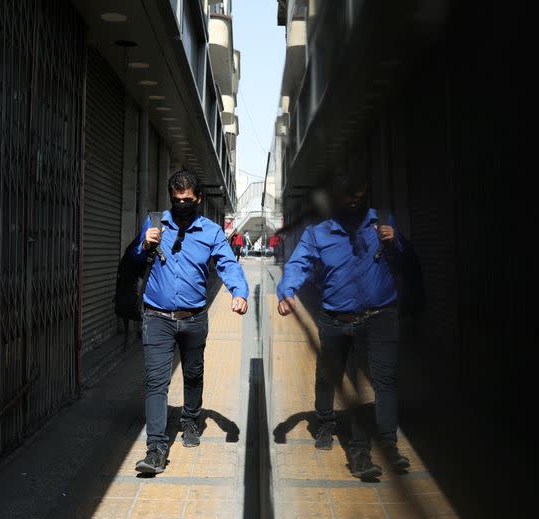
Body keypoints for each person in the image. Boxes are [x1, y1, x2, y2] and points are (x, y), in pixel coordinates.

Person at [276, 178, 414, 479]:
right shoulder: (318, 233)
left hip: (379, 317)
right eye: (347, 195)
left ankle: (377, 449)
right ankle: (325, 422)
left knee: (381, 382)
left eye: (360, 194)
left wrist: (397, 241)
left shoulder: (381, 225)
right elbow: (298, 264)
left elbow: (406, 262)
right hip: (335, 320)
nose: (354, 200)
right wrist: (287, 291)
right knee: (330, 376)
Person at [131, 170, 249, 475]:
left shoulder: (210, 232)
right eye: (176, 199)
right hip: (157, 316)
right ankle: (156, 449)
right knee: (157, 381)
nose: (181, 204)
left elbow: (227, 264)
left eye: (187, 199)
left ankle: (190, 419)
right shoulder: (155, 223)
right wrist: (143, 246)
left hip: (194, 318)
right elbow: (132, 261)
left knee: (193, 374)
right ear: (171, 197)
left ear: (197, 199)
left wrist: (239, 292)